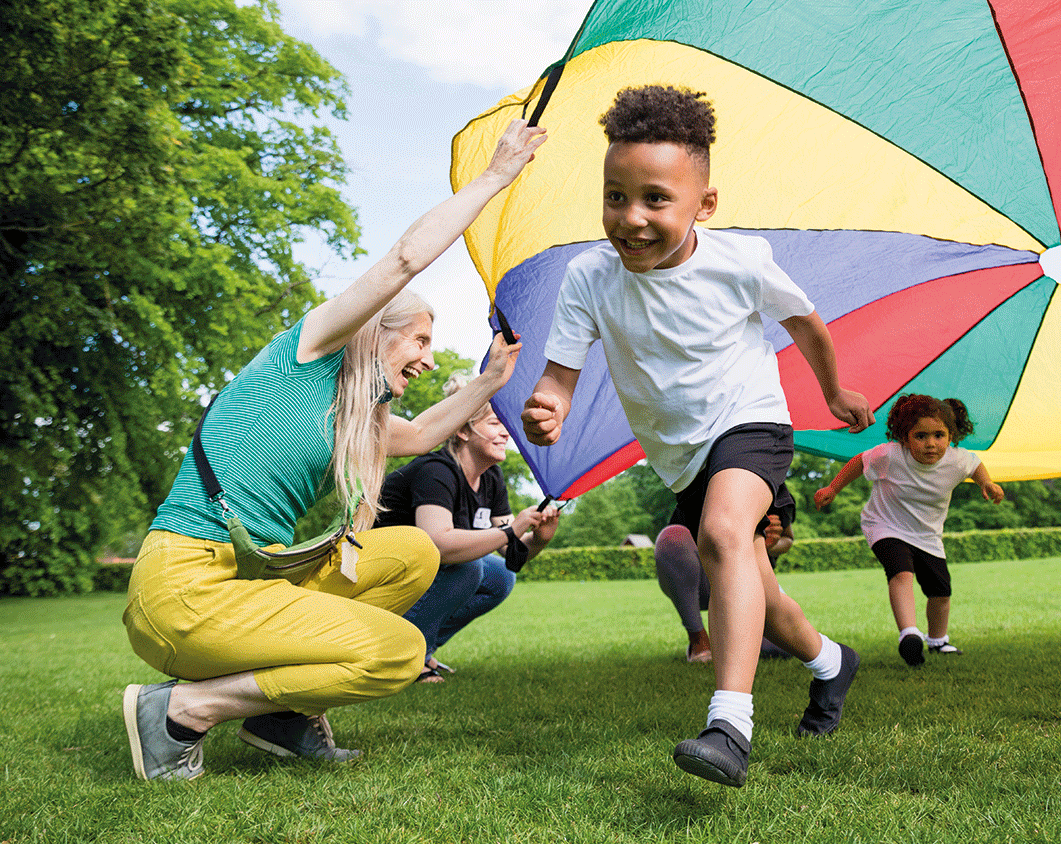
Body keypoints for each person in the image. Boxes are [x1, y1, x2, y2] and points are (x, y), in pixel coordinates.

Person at [120, 119, 547, 781]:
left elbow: (426, 434)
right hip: (184, 590)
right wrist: (495, 178)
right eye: (420, 343)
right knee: (398, 652)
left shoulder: (352, 415)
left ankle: (279, 717)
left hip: (251, 581)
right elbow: (405, 259)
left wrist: (491, 380)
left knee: (411, 552)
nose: (429, 362)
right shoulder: (306, 355)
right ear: (377, 332)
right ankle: (185, 709)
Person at [520, 85, 874, 788]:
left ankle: (730, 726)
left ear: (703, 205)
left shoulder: (739, 261)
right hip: (680, 455)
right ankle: (831, 663)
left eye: (655, 199)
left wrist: (833, 391)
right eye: (615, 196)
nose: (631, 218)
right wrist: (547, 404)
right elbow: (559, 376)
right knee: (758, 593)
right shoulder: (589, 277)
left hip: (750, 422)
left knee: (720, 535)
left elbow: (805, 322)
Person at [375, 374, 560, 683]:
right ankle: (402, 657)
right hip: (378, 566)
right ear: (462, 430)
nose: (506, 434)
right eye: (495, 424)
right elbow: (439, 544)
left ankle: (421, 648)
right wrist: (511, 531)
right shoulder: (437, 471)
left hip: (420, 569)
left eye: (506, 426)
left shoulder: (491, 478)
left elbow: (509, 553)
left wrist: (538, 539)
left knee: (501, 576)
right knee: (468, 567)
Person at [813, 395, 1004, 667]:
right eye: (921, 436)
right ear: (904, 437)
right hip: (884, 525)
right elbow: (859, 462)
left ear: (951, 435)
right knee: (901, 572)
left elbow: (975, 465)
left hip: (927, 536)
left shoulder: (957, 460)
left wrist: (987, 483)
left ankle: (938, 640)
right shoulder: (890, 455)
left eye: (940, 435)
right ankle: (909, 635)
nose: (931, 443)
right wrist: (832, 488)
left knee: (940, 592)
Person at [656, 514, 794, 663]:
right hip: (707, 575)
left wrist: (768, 542)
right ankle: (698, 639)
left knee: (783, 647)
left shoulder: (778, 494)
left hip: (751, 578)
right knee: (672, 537)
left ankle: (734, 637)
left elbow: (788, 539)